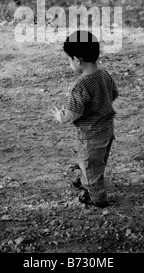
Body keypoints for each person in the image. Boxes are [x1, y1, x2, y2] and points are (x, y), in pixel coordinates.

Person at [52, 30, 119, 208]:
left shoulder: (80, 85)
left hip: (90, 135)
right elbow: (113, 94)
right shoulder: (104, 74)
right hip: (107, 129)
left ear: (77, 59)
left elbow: (74, 113)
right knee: (98, 162)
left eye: (69, 59)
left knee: (90, 164)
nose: (70, 64)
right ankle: (86, 180)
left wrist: (61, 116)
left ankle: (97, 198)